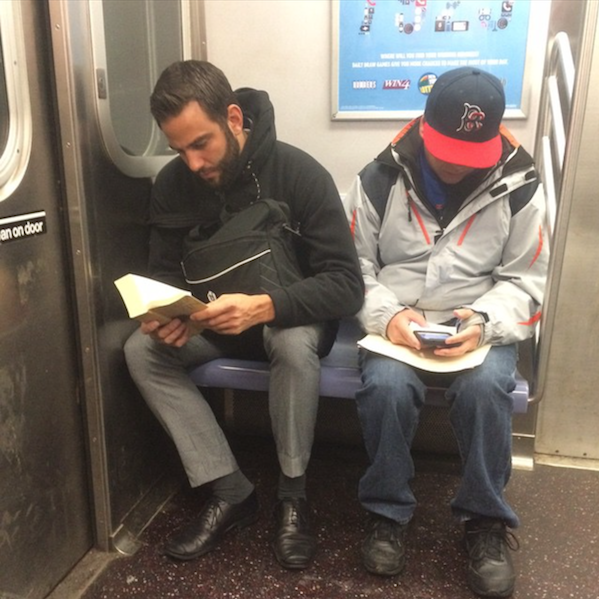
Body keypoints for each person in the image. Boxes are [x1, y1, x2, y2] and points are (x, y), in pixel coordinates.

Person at [124, 60, 364, 570]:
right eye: (178, 149)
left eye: (201, 143)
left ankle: (293, 497)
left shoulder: (299, 173)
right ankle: (231, 489)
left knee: (291, 340)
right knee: (141, 350)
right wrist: (166, 316)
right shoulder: (173, 185)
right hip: (213, 324)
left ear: (234, 118)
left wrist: (266, 306)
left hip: (285, 318)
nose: (191, 163)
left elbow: (346, 285)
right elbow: (164, 274)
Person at [345, 67, 548, 597]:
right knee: (388, 387)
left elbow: (527, 281)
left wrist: (484, 323)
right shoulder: (378, 178)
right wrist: (387, 315)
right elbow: (351, 269)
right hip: (397, 315)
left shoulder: (521, 186)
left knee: (485, 389)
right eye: (447, 150)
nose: (459, 163)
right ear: (423, 126)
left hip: (478, 317)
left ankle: (485, 521)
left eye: (472, 153)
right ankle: (387, 512)